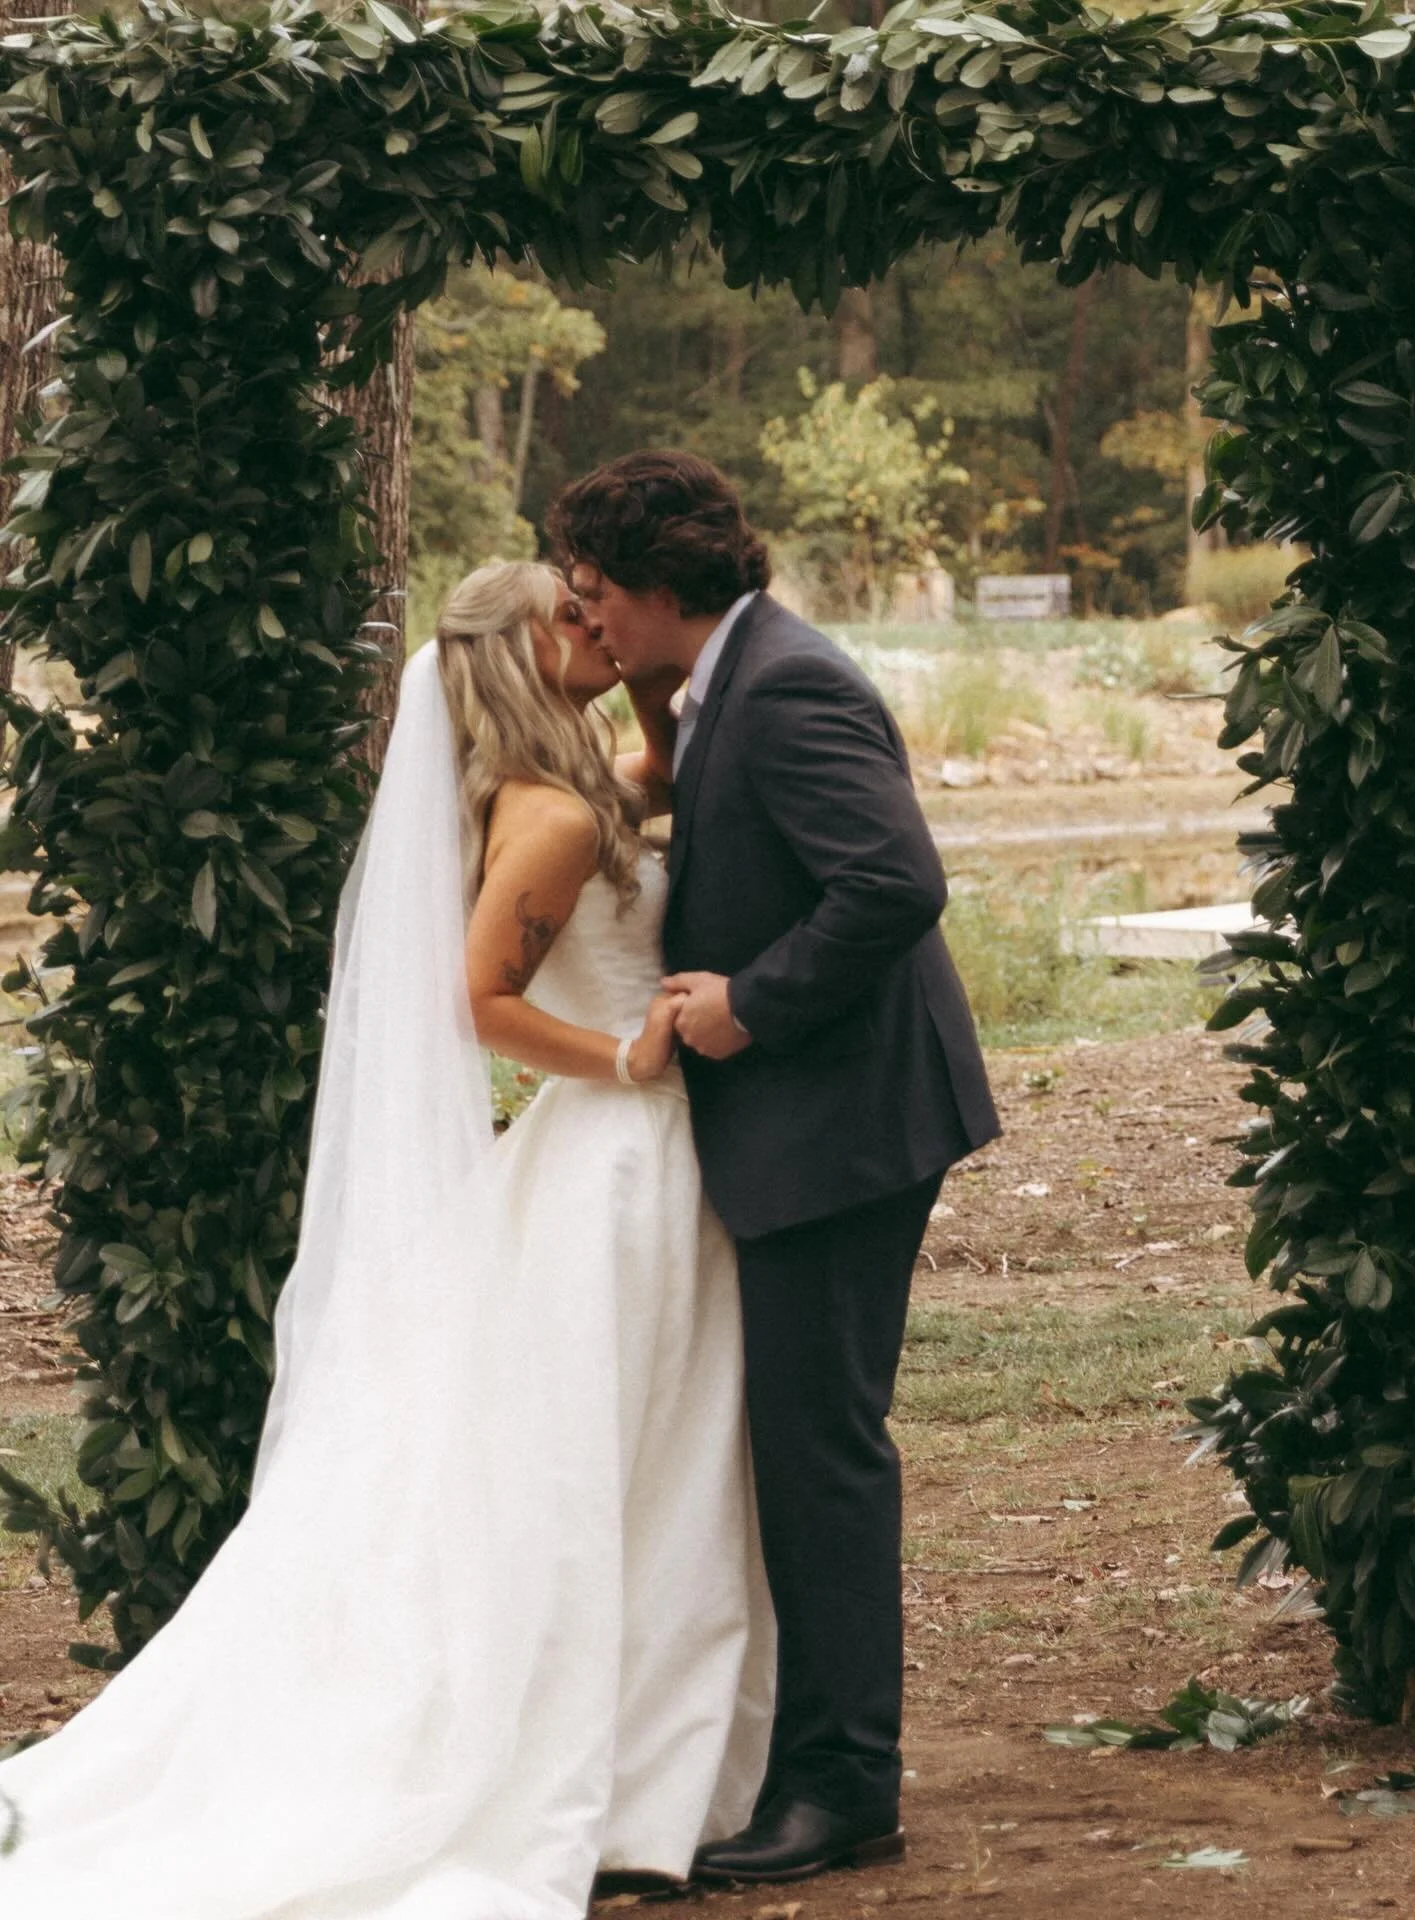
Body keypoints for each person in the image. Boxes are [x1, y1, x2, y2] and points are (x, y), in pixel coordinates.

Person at [0, 561, 772, 1918]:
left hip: (634, 1156)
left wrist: (669, 676)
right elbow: (478, 1000)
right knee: (599, 1456)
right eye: (567, 614)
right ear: (515, 654)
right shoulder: (544, 819)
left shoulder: (581, 780)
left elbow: (660, 772)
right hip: (611, 1153)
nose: (589, 624)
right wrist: (625, 1055)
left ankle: (659, 1757)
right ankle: (601, 1763)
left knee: (652, 1448)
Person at [550, 452, 1001, 1887]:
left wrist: (747, 1001)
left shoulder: (793, 684)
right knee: (801, 1443)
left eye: (601, 590)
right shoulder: (722, 672)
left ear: (666, 587)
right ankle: (803, 1760)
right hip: (822, 1114)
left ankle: (843, 1788)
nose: (586, 612)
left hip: (848, 1120)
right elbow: (697, 783)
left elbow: (895, 881)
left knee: (822, 1450)